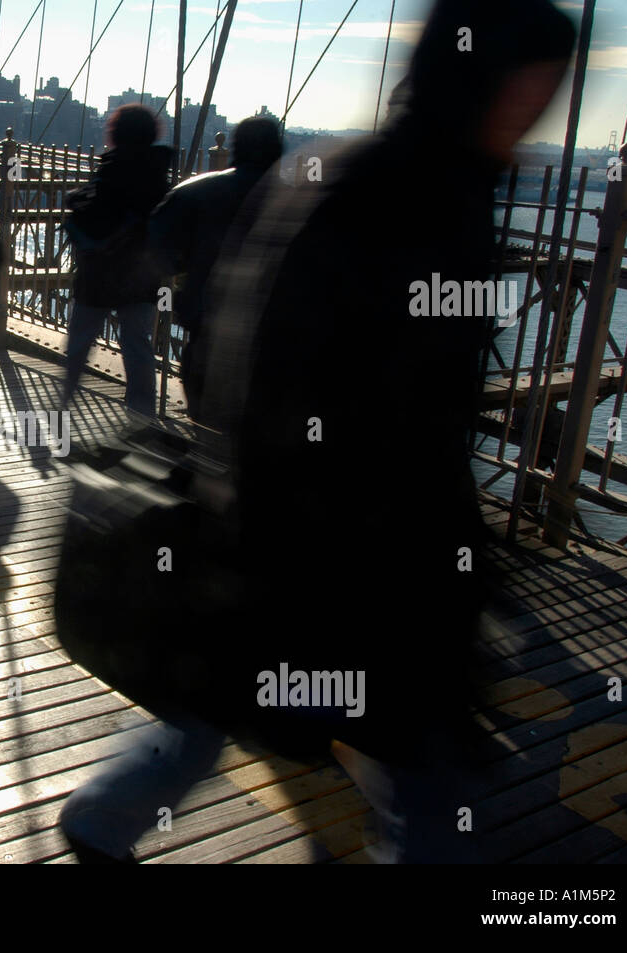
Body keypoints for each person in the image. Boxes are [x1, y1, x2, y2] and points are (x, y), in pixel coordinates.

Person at [56, 0, 577, 863]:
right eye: (537, 84)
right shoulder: (415, 190)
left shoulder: (367, 172)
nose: (545, 105)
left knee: (228, 700)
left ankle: (104, 815)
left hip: (306, 528)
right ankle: (105, 814)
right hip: (349, 540)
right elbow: (380, 387)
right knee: (406, 760)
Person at [148, 115, 282, 422]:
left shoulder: (199, 190)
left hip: (210, 322)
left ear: (236, 147)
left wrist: (182, 276)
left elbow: (155, 243)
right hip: (276, 337)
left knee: (207, 417)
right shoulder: (300, 200)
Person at [61, 104, 172, 419]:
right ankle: (142, 415)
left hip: (100, 272)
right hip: (142, 275)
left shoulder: (112, 169)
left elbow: (97, 213)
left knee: (81, 339)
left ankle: (64, 408)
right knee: (137, 344)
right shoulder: (159, 175)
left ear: (116, 133)